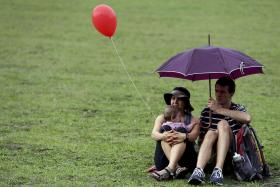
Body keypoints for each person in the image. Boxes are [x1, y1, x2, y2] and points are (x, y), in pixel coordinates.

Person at [188, 76, 251, 185]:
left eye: (223, 92)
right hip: (210, 156)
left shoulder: (237, 108)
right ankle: (199, 170)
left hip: (233, 157)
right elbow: (201, 141)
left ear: (231, 93)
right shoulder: (207, 112)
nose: (218, 94)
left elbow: (247, 118)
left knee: (222, 124)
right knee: (212, 132)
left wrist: (220, 110)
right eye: (216, 91)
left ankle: (218, 170)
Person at [150, 87, 200, 181]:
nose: (175, 102)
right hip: (163, 162)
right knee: (165, 131)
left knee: (181, 129)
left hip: (186, 162)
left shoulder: (194, 120)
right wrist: (163, 136)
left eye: (179, 99)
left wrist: (184, 136)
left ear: (185, 102)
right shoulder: (162, 118)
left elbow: (193, 137)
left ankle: (169, 169)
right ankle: (175, 167)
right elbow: (154, 134)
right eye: (173, 98)